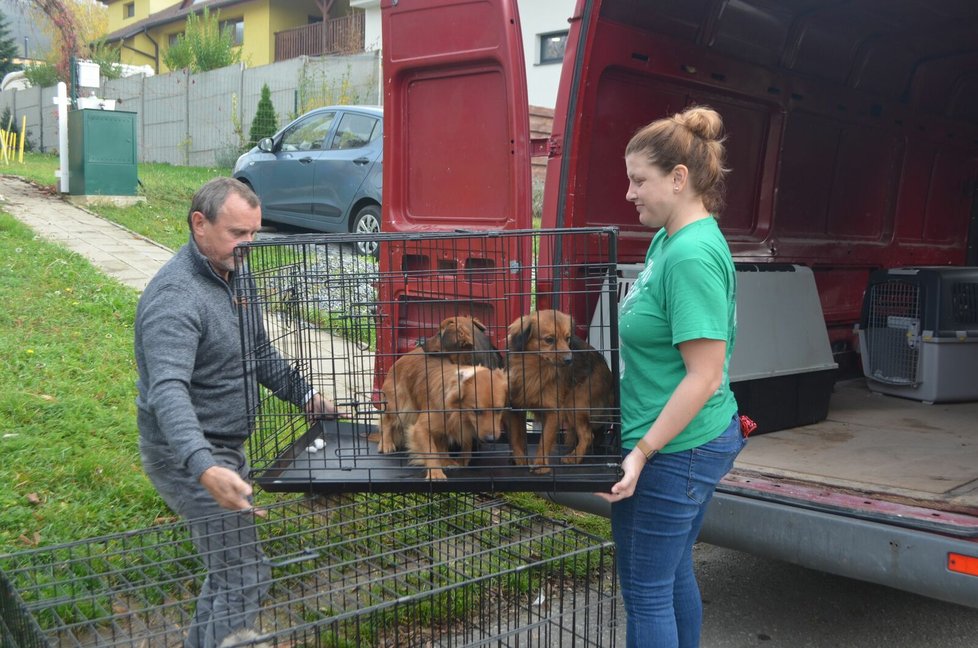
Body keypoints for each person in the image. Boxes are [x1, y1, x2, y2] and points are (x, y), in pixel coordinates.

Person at [134, 177, 336, 648]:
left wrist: (306, 396)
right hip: (185, 454)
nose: (248, 246)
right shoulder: (175, 299)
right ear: (199, 224)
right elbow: (168, 391)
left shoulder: (235, 275)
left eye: (254, 234)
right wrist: (203, 466)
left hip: (224, 448)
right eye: (236, 234)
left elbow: (259, 352)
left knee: (229, 571)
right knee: (245, 575)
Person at [596, 105, 747, 647]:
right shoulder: (668, 240)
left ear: (679, 179)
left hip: (676, 449)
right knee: (671, 570)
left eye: (640, 181)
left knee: (646, 590)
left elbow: (704, 376)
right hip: (668, 441)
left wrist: (642, 453)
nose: (630, 193)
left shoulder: (691, 256)